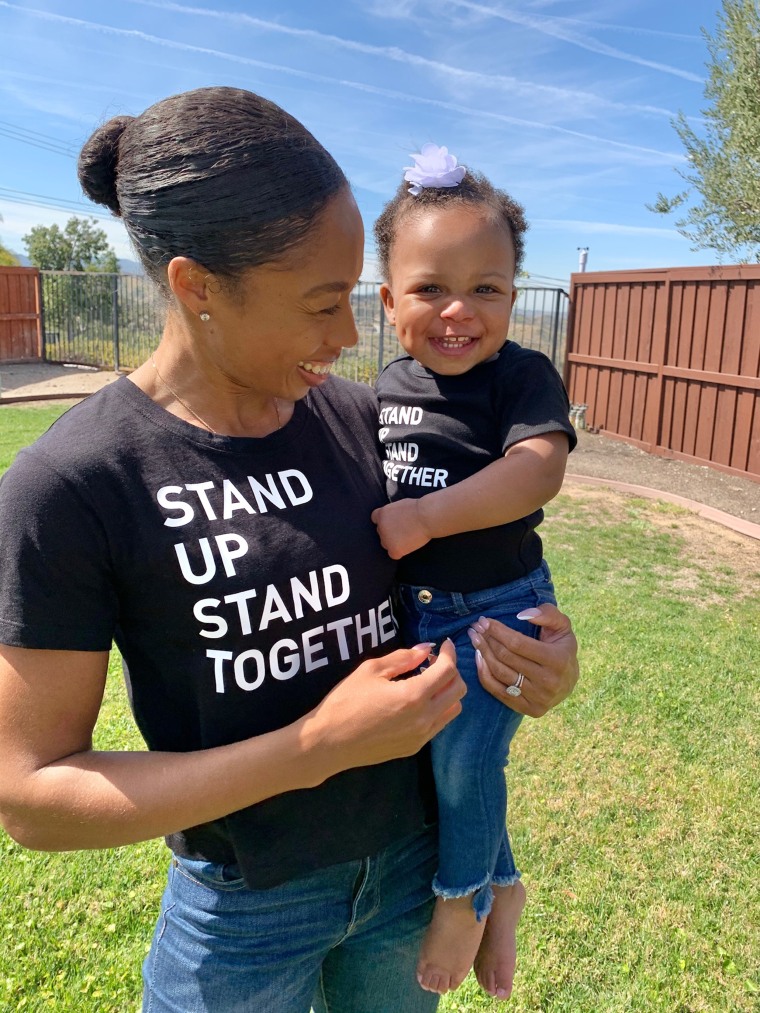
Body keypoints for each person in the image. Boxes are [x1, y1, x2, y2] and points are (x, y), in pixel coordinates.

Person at [0, 90, 578, 1013]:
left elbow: (481, 561)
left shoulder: (369, 424)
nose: (351, 338)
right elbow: (31, 797)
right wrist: (310, 747)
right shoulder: (75, 481)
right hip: (242, 914)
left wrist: (544, 657)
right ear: (196, 287)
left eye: (351, 300)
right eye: (320, 305)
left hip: (408, 881)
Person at [371, 144, 577, 1001]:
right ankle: (507, 883)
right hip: (421, 615)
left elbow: (538, 469)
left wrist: (425, 516)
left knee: (462, 763)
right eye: (429, 288)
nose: (459, 310)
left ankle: (465, 898)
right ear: (387, 300)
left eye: (486, 288)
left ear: (514, 295)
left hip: (500, 610)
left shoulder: (521, 376)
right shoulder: (385, 385)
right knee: (443, 760)